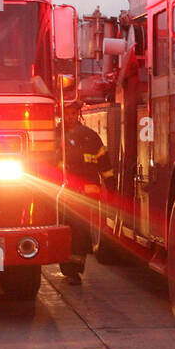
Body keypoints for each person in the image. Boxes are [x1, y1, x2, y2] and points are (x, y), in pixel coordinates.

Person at [58, 101, 115, 284]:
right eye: (67, 114)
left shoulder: (91, 137)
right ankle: (68, 268)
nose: (70, 117)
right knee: (65, 231)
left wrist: (111, 187)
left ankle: (75, 270)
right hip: (64, 192)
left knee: (80, 232)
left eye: (73, 114)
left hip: (86, 194)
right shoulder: (56, 136)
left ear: (78, 115)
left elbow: (105, 164)